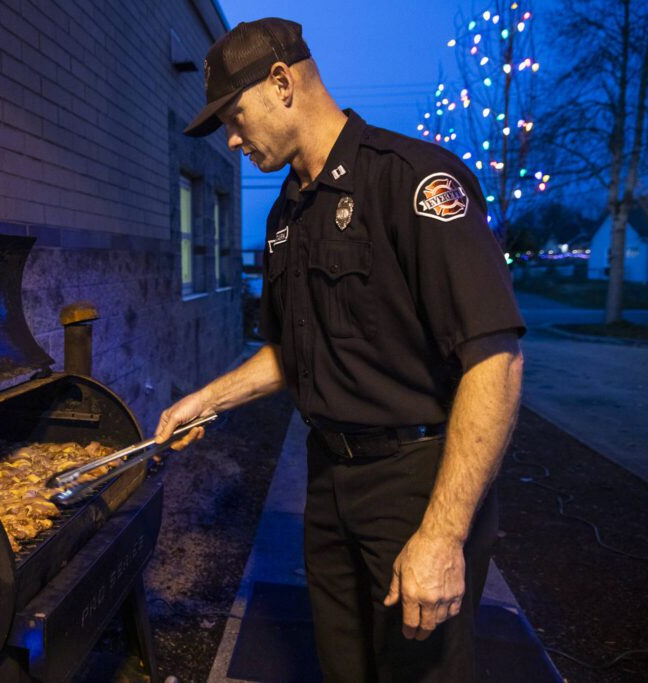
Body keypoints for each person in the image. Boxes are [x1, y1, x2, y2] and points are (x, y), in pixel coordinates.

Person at [155, 17, 525, 682]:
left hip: (416, 481)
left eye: (234, 117)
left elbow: (494, 358)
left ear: (280, 82)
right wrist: (205, 400)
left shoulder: (411, 181)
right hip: (328, 480)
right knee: (343, 667)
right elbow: (292, 352)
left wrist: (442, 534)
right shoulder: (285, 218)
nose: (232, 139)